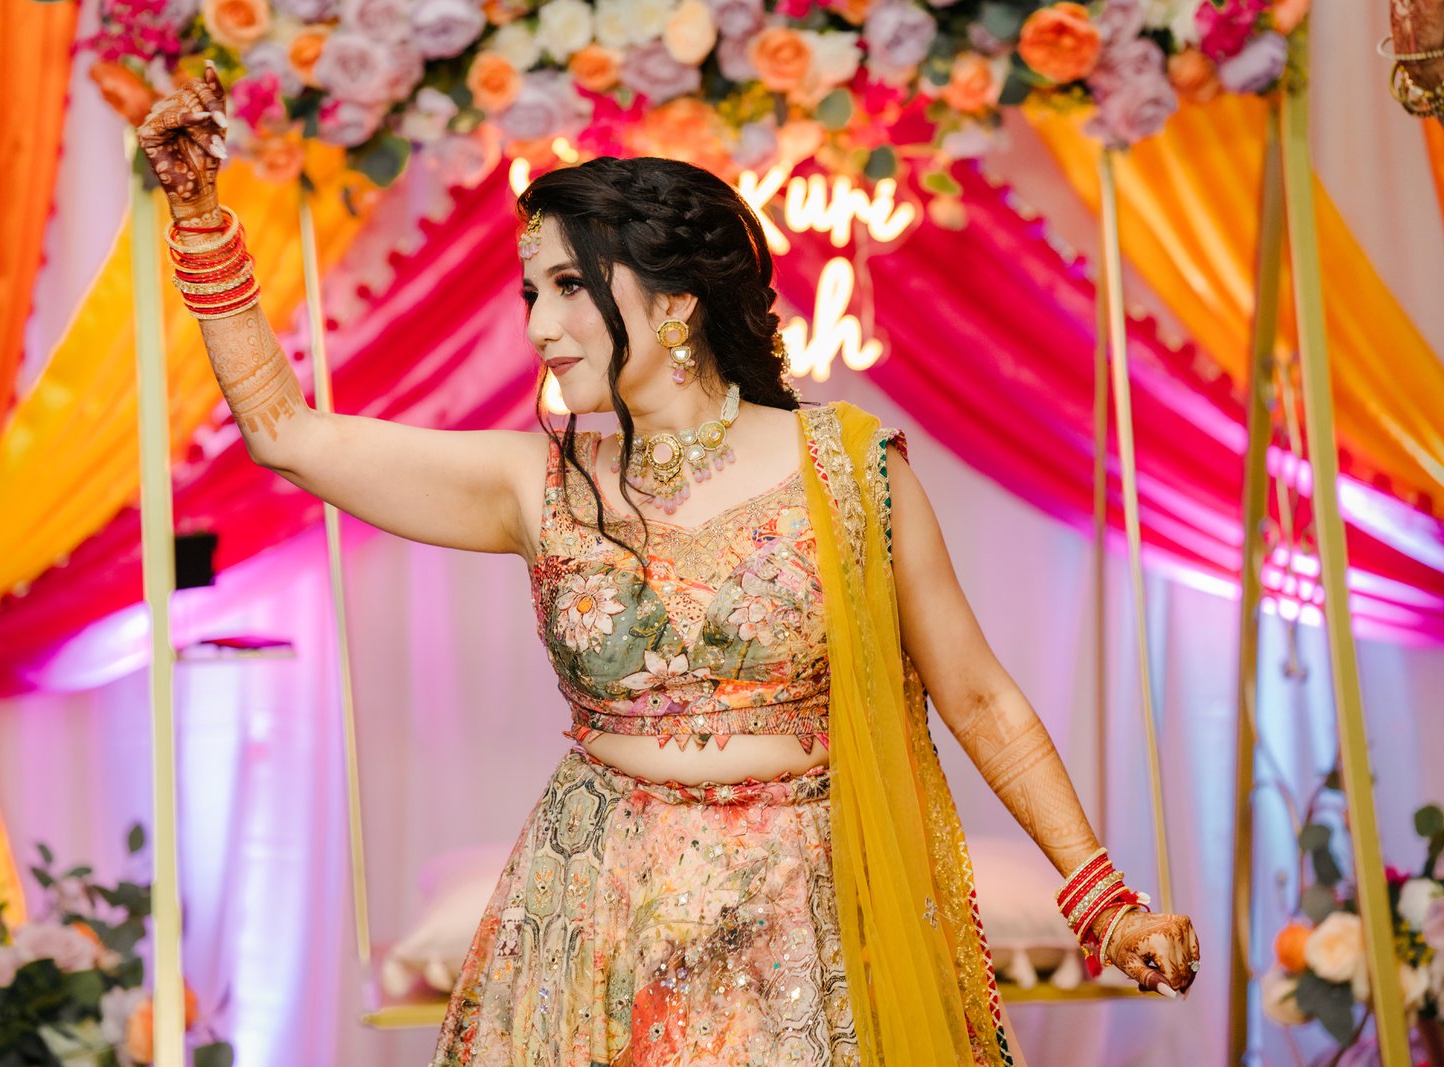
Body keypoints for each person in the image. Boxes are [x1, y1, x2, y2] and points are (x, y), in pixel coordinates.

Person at [138, 66, 1200, 1067]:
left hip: (807, 916)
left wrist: (1101, 896)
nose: (539, 327)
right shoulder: (537, 481)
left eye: (566, 286)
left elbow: (976, 693)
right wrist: (198, 220)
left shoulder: (846, 467)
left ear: (676, 302)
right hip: (596, 908)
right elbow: (285, 433)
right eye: (530, 293)